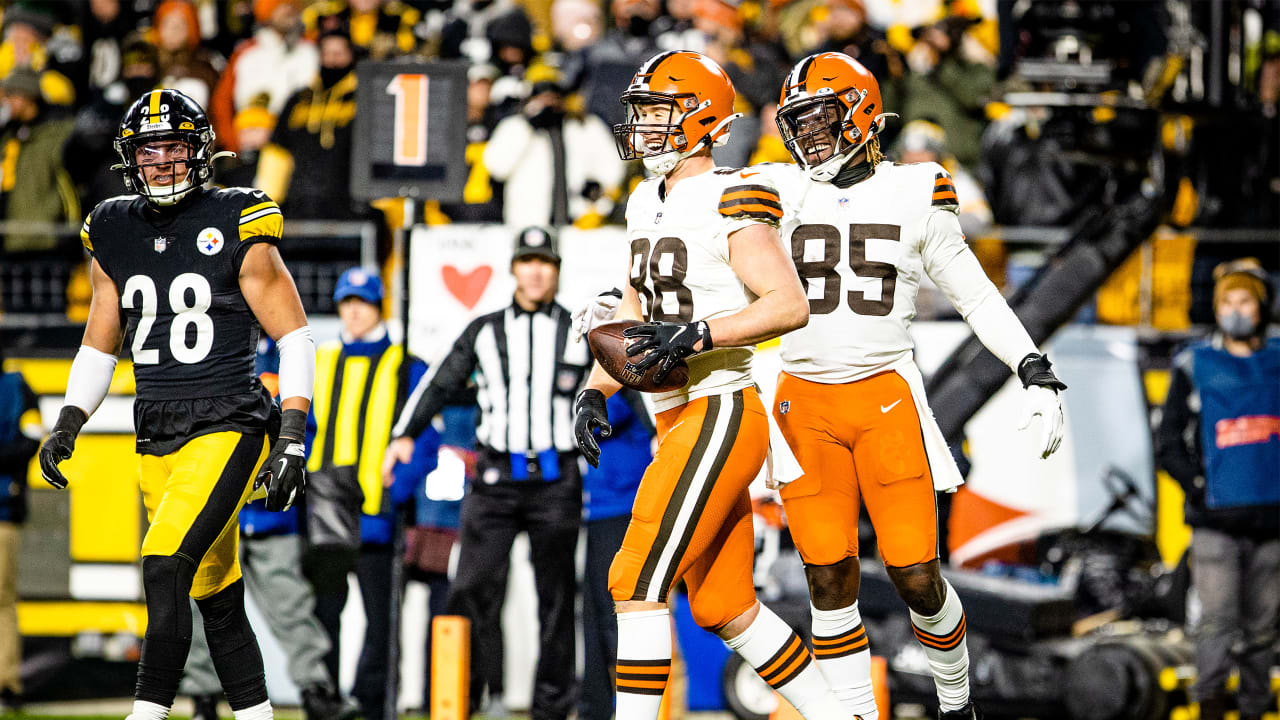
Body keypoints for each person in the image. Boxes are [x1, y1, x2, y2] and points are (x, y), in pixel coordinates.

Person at [758, 52, 1068, 720]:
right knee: (826, 575)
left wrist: (1032, 367)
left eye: (820, 119)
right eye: (798, 123)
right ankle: (851, 714)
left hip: (884, 396)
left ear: (863, 112)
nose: (807, 136)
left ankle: (956, 703)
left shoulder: (916, 187)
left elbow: (977, 297)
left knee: (916, 575)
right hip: (802, 401)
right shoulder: (778, 187)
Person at [571, 50, 847, 720]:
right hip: (675, 418)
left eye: (658, 111)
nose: (642, 125)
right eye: (641, 111)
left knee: (632, 578)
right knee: (726, 607)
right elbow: (638, 310)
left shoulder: (732, 193)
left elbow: (788, 303)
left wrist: (701, 335)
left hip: (720, 408)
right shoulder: (644, 199)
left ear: (700, 118)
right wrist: (596, 388)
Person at [38, 88, 315, 720]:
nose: (162, 162)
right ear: (130, 158)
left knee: (163, 565)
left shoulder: (238, 217)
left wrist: (293, 434)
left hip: (229, 422)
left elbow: (295, 336)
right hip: (154, 431)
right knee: (215, 594)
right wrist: (69, 420)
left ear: (200, 152)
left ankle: (146, 714)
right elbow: (99, 343)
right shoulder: (111, 226)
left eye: (174, 148)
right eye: (150, 150)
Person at [384, 226, 590, 720]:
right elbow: (438, 380)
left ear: (556, 271)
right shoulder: (485, 330)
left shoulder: (579, 330)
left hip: (556, 478)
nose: (536, 270)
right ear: (514, 269)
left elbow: (619, 380)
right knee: (471, 590)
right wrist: (403, 434)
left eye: (545, 262)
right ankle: (463, 700)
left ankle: (551, 711)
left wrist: (653, 430)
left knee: (557, 603)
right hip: (495, 478)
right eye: (528, 261)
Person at [180, 338, 359, 720]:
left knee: (292, 607)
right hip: (217, 509)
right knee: (200, 610)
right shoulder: (208, 354)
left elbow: (304, 430)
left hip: (269, 511)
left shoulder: (285, 359)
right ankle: (204, 698)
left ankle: (316, 690)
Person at [308, 267, 440, 720]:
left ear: (378, 305)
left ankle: (370, 703)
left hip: (377, 513)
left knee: (381, 619)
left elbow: (424, 439)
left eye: (362, 302)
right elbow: (301, 429)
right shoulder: (319, 360)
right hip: (323, 510)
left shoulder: (406, 363)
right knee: (322, 615)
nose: (355, 311)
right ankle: (323, 702)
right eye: (348, 302)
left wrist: (398, 489)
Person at [1156, 258, 1279, 720]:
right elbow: (1167, 443)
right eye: (1228, 300)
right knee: (1217, 623)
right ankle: (1209, 708)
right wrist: (1199, 485)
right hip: (1215, 524)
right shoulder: (1194, 364)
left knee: (1263, 630)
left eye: (1245, 300)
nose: (1236, 309)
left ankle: (1254, 709)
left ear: (1262, 305)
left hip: (1272, 521)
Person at [578, 389, 654, 720]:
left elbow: (598, 417)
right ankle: (595, 709)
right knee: (594, 617)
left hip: (625, 509)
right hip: (599, 511)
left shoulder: (624, 383)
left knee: (623, 617)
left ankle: (637, 710)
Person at [0, 347, 41, 710]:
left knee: (3, 599)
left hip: (3, 510)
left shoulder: (16, 387)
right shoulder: (17, 386)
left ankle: (7, 683)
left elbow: (31, 439)